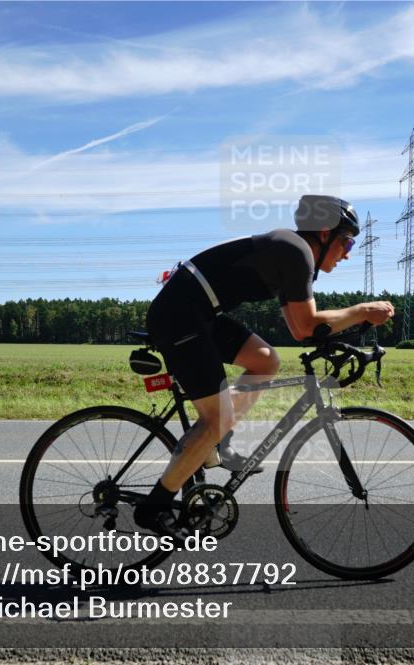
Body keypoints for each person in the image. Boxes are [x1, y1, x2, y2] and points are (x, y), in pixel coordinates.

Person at [134, 194, 395, 537]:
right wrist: (361, 312)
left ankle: (216, 440)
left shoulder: (293, 252)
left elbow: (304, 329)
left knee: (265, 360)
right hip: (181, 317)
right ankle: (156, 505)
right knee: (216, 418)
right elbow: (306, 326)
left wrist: (344, 335)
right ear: (324, 233)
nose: (348, 252)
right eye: (346, 241)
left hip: (198, 311)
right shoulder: (295, 251)